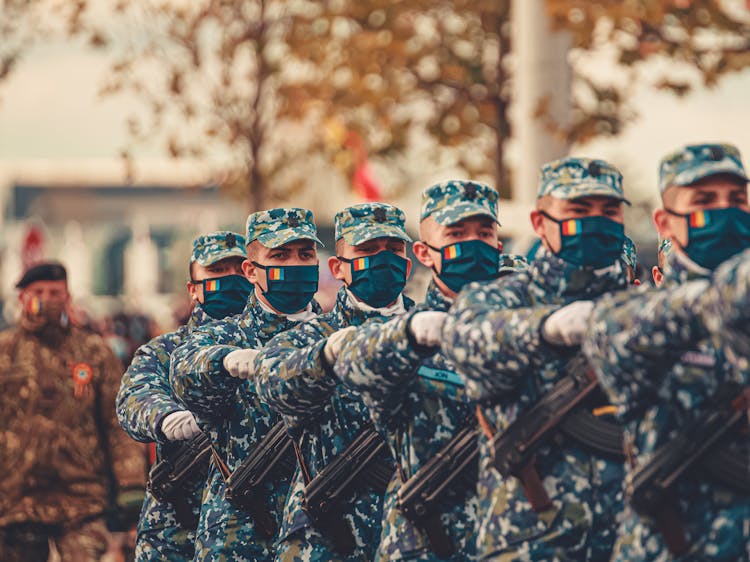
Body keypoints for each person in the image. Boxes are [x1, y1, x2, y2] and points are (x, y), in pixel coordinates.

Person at [441, 158, 632, 560]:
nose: (596, 221)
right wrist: (546, 327)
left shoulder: (638, 309)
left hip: (629, 539)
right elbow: (466, 340)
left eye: (609, 211)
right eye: (579, 210)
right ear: (539, 222)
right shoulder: (499, 297)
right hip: (530, 540)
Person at [333, 181, 527, 561]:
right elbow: (355, 364)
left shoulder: (528, 330)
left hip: (513, 536)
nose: (472, 243)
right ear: (423, 252)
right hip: (426, 540)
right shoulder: (406, 333)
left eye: (484, 233)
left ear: (498, 246)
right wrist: (410, 336)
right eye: (456, 233)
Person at [583, 143, 750, 560]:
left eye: (738, 200)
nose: (724, 212)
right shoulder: (630, 313)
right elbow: (630, 330)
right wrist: (731, 292)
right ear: (666, 222)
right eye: (704, 201)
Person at [254, 202, 416, 561]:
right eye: (367, 250)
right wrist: (325, 357)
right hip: (328, 538)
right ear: (337, 267)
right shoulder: (310, 336)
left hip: (418, 536)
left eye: (392, 249)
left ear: (408, 264)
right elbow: (272, 383)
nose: (382, 259)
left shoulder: (431, 330)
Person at [169, 208, 322, 561]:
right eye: (280, 255)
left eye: (305, 254)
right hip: (241, 537)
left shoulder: (333, 336)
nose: (295, 265)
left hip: (323, 536)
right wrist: (224, 361)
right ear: (251, 270)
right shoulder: (225, 334)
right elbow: (184, 370)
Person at [116, 231, 251, 561]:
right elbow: (135, 398)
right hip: (178, 525)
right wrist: (165, 417)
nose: (230, 279)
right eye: (217, 271)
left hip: (253, 521)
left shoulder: (267, 346)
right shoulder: (165, 350)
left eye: (238, 269)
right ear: (193, 289)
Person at [0, 261, 146, 562]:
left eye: (56, 292)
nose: (47, 299)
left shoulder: (93, 352)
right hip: (15, 500)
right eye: (38, 291)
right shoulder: (5, 352)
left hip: (83, 499)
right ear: (21, 298)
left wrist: (131, 483)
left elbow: (117, 421)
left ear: (68, 297)